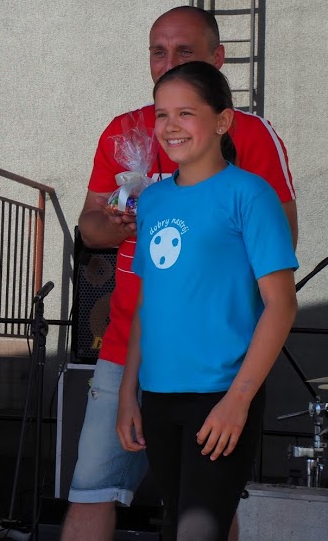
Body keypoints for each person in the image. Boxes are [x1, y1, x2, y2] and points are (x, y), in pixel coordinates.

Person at [61, 6, 297, 541]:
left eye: (184, 51)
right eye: (158, 51)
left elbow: (278, 264)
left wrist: (239, 393)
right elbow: (95, 233)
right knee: (114, 495)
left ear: (218, 58)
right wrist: (121, 223)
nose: (168, 62)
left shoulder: (250, 162)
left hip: (219, 363)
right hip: (136, 357)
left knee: (203, 511)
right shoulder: (141, 164)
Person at [116, 60, 298, 539]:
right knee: (176, 524)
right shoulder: (153, 201)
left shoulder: (250, 194)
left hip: (221, 394)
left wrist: (239, 399)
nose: (170, 126)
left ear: (222, 121)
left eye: (186, 113)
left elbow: (282, 305)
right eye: (161, 114)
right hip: (158, 397)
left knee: (198, 530)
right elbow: (147, 305)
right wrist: (128, 393)